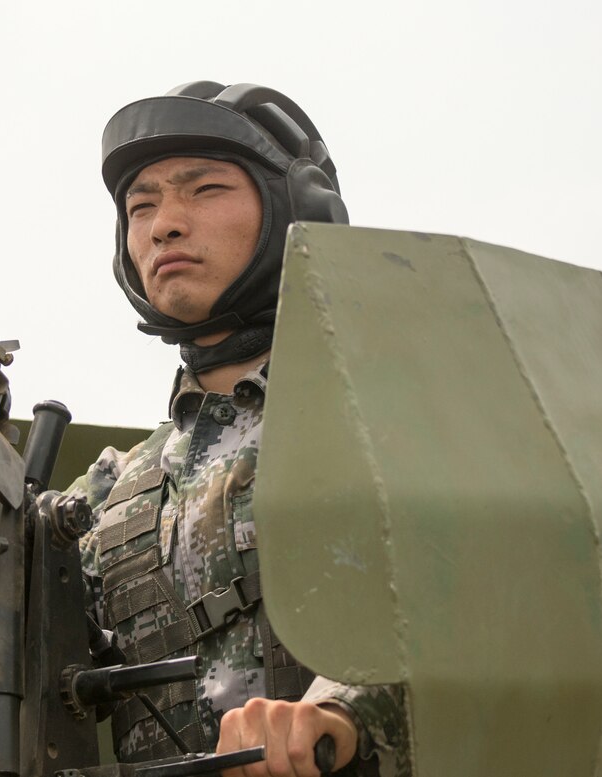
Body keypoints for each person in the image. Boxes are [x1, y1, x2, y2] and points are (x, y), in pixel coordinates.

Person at [66, 81, 409, 777]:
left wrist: (343, 715)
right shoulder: (108, 494)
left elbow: (498, 602)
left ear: (298, 206)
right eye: (142, 205)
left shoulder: (396, 418)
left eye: (204, 190)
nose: (163, 224)